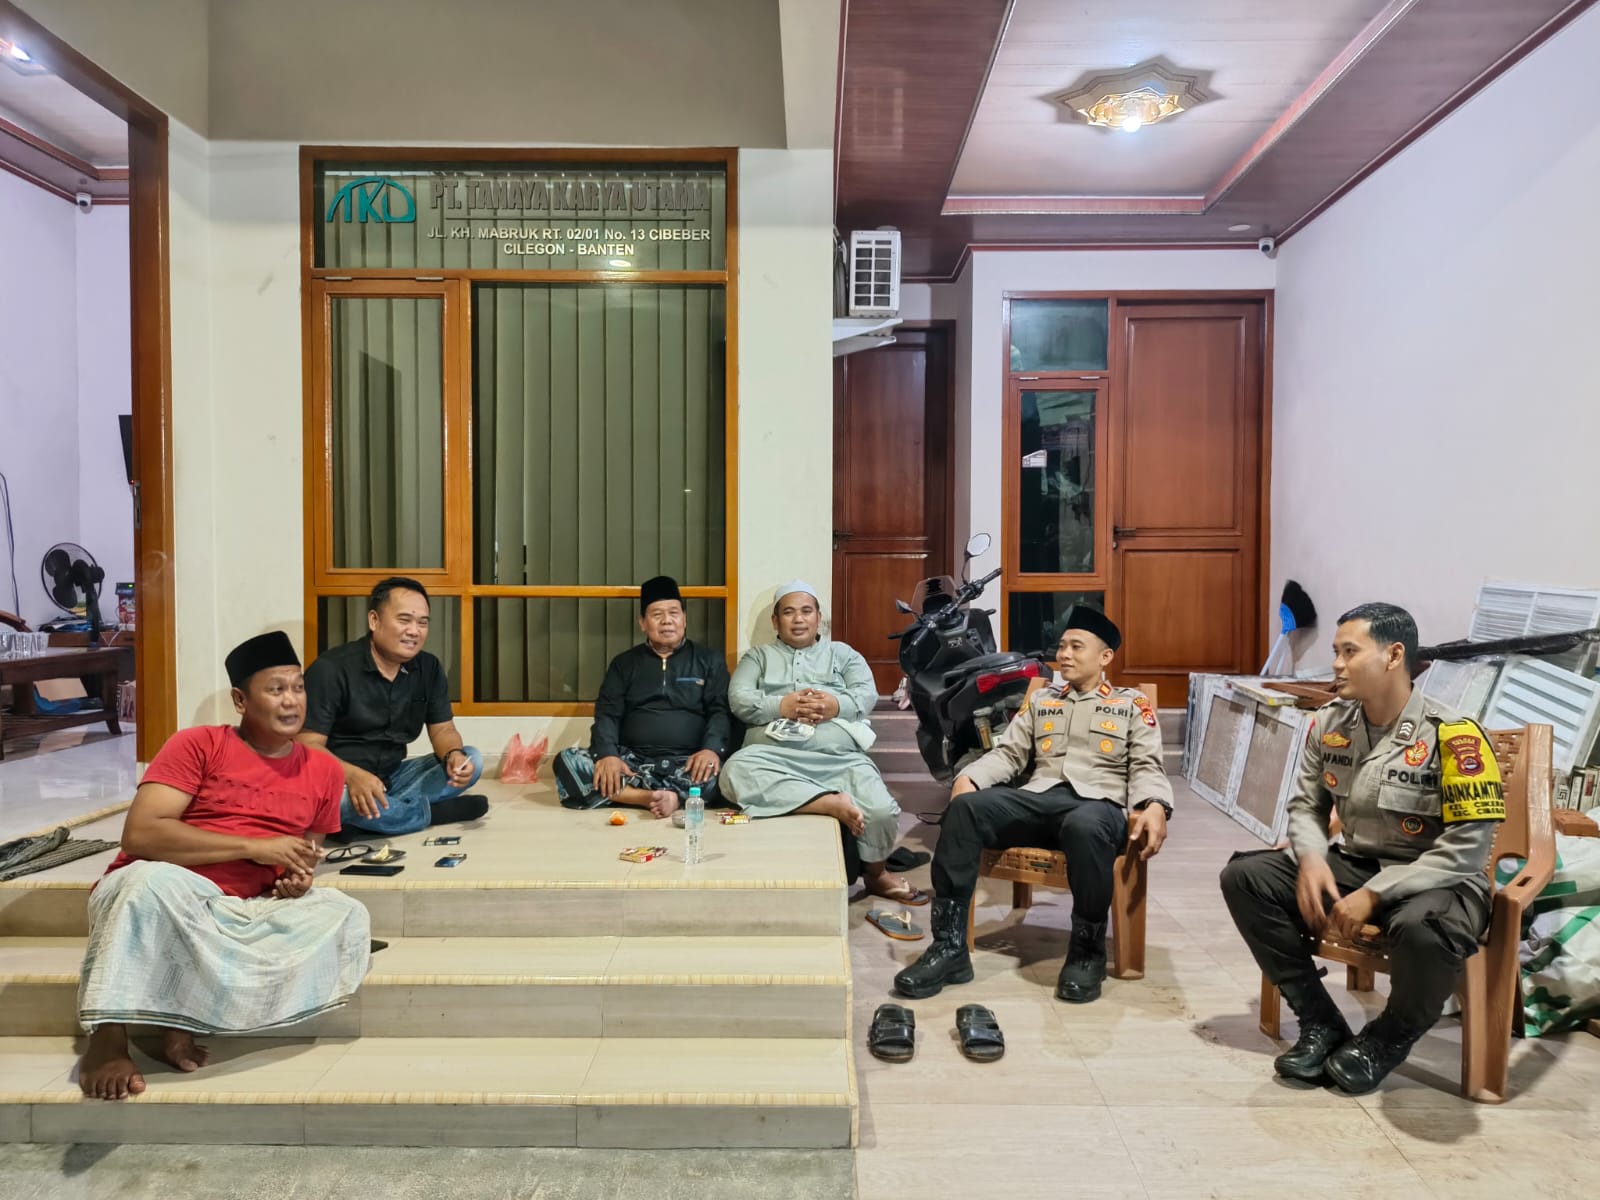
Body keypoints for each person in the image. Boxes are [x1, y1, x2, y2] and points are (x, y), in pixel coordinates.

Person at [1220, 602, 1504, 1095]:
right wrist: (1311, 857)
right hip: (1357, 863)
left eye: (1350, 652)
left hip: (1440, 880)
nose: (1336, 664)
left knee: (1425, 931)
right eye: (1336, 651)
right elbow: (1306, 807)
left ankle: (1387, 1039)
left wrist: (1374, 894)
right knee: (1246, 877)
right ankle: (1320, 1021)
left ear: (1393, 656)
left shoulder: (1454, 735)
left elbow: (1466, 850)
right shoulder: (1330, 724)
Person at [76, 632, 371, 1101]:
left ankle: (187, 1015)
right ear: (240, 700)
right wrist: (254, 847)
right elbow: (141, 834)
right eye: (276, 689)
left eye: (298, 688)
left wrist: (294, 881)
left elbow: (302, 859)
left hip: (242, 908)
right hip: (166, 892)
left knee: (345, 913)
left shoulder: (325, 771)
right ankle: (108, 1036)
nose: (292, 700)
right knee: (146, 882)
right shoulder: (198, 745)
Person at [893, 606, 1172, 1003]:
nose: (1065, 654)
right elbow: (1008, 753)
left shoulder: (1130, 704)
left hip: (1097, 805)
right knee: (965, 809)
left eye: (1077, 647)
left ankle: (1087, 952)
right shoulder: (1042, 699)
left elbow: (1147, 764)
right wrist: (969, 778)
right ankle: (950, 948)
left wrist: (1155, 803)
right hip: (1038, 799)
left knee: (1084, 826)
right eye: (1062, 646)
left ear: (1105, 657)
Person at [721, 581, 926, 905]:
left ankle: (876, 874)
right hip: (772, 758)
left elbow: (866, 694)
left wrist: (835, 705)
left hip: (838, 758)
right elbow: (739, 698)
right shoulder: (758, 657)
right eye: (788, 612)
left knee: (881, 810)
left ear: (818, 618)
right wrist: (781, 705)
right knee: (733, 772)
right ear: (775, 621)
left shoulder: (842, 654)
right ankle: (827, 803)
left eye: (806, 611)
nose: (798, 619)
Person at [300, 577, 486, 837]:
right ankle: (431, 814)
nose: (414, 631)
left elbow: (443, 729)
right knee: (337, 802)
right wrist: (353, 776)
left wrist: (453, 755)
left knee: (472, 759)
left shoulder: (428, 667)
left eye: (422, 623)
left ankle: (376, 816)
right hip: (340, 780)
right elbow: (307, 746)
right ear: (374, 620)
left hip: (393, 777)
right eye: (404, 620)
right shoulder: (331, 669)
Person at [553, 575, 731, 816]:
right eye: (657, 614)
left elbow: (720, 710)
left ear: (684, 619)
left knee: (726, 774)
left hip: (687, 763)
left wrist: (711, 749)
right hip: (632, 761)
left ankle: (628, 793)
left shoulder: (709, 660)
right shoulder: (624, 664)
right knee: (567, 760)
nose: (667, 620)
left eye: (674, 613)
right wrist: (608, 754)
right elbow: (607, 713)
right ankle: (650, 798)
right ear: (643, 623)